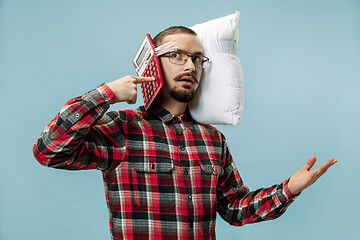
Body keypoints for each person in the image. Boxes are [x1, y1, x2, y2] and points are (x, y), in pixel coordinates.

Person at [33, 26, 337, 240]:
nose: (190, 65)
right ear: (153, 62)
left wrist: (289, 189)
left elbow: (235, 209)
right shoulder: (122, 129)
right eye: (177, 55)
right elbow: (48, 150)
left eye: (197, 58)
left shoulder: (213, 140)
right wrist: (105, 94)